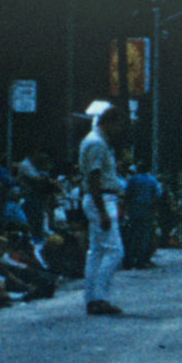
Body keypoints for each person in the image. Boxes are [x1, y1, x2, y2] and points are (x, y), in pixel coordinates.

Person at [77, 101, 128, 316]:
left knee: (96, 252)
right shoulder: (97, 143)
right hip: (101, 200)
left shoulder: (95, 141)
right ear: (110, 123)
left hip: (99, 199)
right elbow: (95, 178)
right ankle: (100, 297)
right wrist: (104, 212)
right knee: (115, 252)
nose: (120, 130)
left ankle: (92, 299)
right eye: (118, 125)